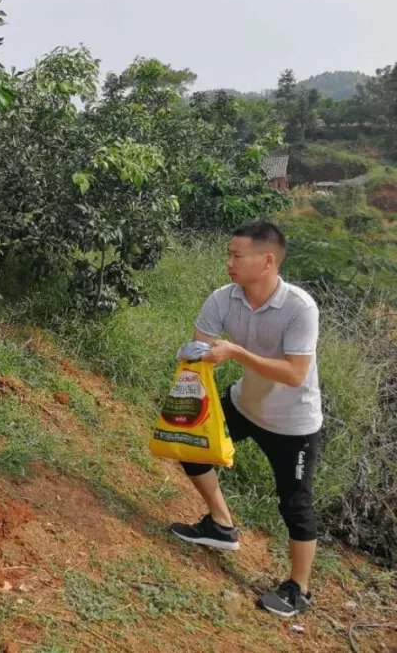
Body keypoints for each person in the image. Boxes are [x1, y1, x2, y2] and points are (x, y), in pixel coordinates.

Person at [169, 221, 321, 618]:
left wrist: (235, 353)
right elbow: (200, 347)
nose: (229, 263)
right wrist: (194, 357)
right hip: (243, 403)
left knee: (295, 504)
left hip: (293, 423)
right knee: (190, 444)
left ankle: (299, 589)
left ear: (267, 261)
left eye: (237, 256)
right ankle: (221, 525)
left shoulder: (299, 307)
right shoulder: (224, 298)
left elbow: (293, 374)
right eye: (229, 254)